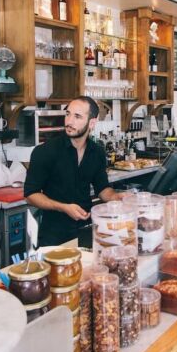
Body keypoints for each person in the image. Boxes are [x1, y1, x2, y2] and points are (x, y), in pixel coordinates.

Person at [24, 96, 127, 246]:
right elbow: (30, 195)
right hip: (53, 236)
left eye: (77, 116)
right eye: (68, 114)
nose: (69, 121)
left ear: (92, 122)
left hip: (86, 230)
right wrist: (64, 207)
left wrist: (117, 197)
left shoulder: (97, 152)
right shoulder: (45, 151)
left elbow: (102, 189)